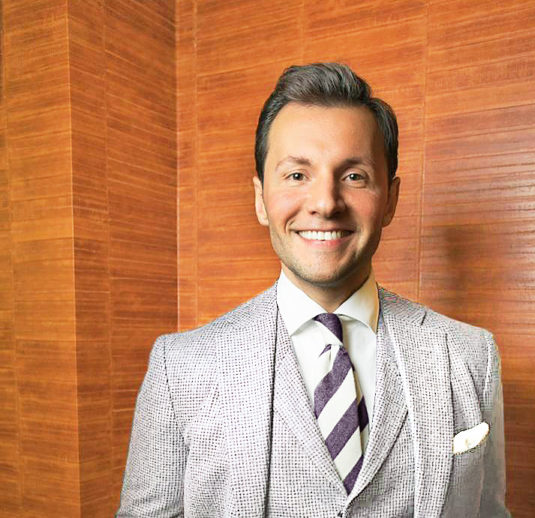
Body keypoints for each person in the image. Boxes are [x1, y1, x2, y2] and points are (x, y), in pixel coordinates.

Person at [117, 63, 510, 517]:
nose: (325, 203)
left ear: (390, 199)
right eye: (297, 176)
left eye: (354, 176)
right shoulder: (180, 368)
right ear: (260, 199)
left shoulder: (471, 357)